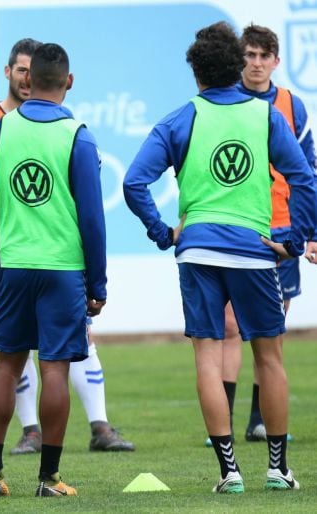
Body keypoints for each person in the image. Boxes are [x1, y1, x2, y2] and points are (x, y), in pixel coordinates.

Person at [123, 21, 314, 493]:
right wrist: (295, 239)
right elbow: (305, 177)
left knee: (208, 359)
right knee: (269, 359)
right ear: (237, 66)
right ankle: (277, 468)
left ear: (195, 71)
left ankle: (229, 472)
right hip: (253, 251)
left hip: (199, 251)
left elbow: (133, 183)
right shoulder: (265, 116)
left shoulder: (180, 118)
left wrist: (164, 233)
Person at [0, 37, 134, 456]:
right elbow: (93, 221)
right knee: (55, 368)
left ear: (30, 77)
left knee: (6, 366)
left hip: (15, 266)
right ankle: (50, 476)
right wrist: (96, 284)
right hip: (62, 270)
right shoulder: (77, 135)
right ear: (69, 81)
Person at [202, 24, 316, 447]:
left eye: (263, 56)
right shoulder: (224, 100)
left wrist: (311, 233)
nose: (255, 63)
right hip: (238, 226)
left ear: (276, 61)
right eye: (248, 55)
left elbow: (308, 170)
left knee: (271, 331)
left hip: (282, 229)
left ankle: (259, 419)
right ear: (239, 59)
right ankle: (225, 422)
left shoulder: (290, 105)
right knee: (231, 325)